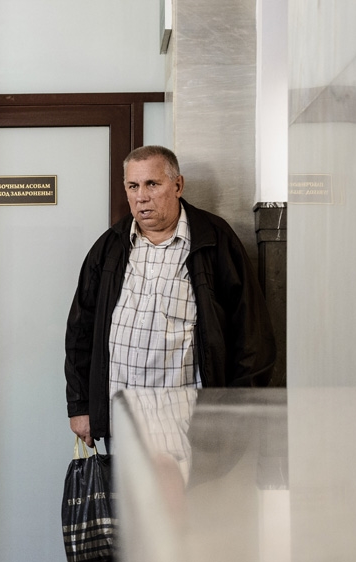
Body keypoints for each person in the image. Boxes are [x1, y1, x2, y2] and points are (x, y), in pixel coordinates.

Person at [64, 145, 276, 446]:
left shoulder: (215, 241)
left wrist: (236, 413)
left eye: (153, 184)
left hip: (188, 425)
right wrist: (81, 406)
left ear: (177, 186)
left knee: (191, 495)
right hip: (120, 423)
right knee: (125, 494)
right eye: (133, 186)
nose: (141, 196)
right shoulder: (109, 247)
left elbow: (252, 336)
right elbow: (79, 332)